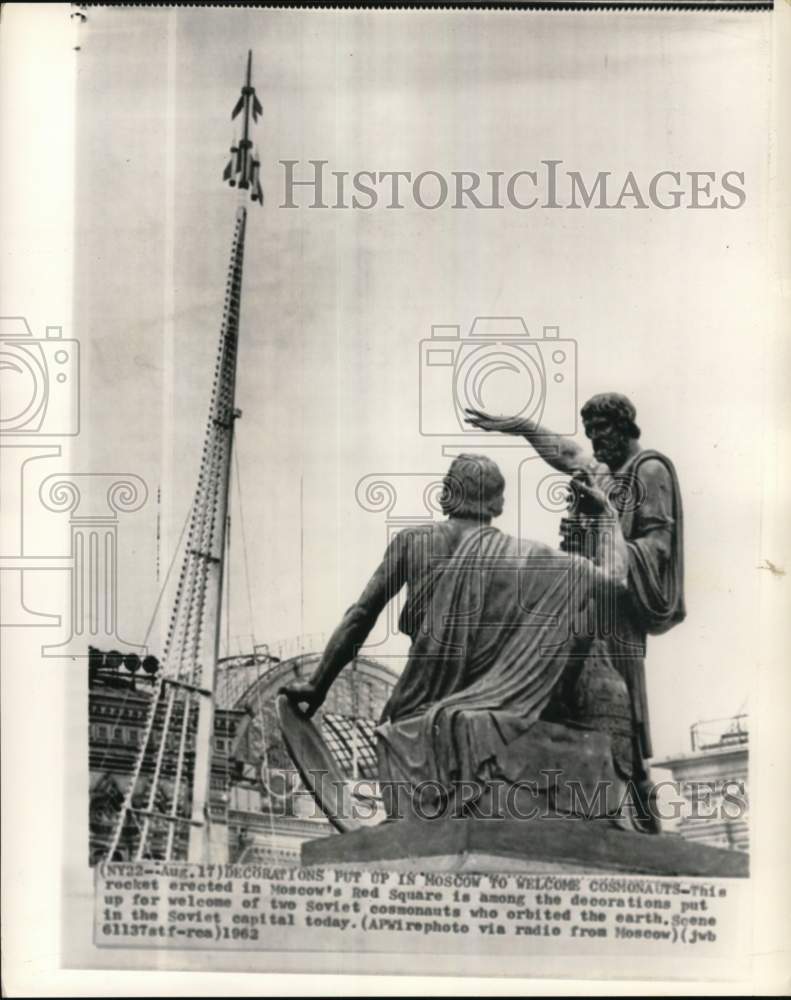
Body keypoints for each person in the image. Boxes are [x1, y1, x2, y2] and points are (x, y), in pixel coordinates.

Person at [282, 453, 633, 823]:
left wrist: (317, 686)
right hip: (491, 709)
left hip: (418, 711)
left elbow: (361, 615)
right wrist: (608, 517)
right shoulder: (529, 557)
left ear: (446, 494)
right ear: (498, 504)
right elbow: (615, 581)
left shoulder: (413, 542)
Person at [465, 394, 685, 832]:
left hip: (620, 608)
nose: (595, 440)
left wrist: (605, 532)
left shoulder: (649, 470)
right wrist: (521, 425)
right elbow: (566, 454)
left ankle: (642, 818)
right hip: (591, 594)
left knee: (623, 715)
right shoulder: (605, 470)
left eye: (602, 430)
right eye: (590, 432)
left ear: (624, 426)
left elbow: (658, 547)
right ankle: (585, 804)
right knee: (578, 699)